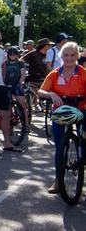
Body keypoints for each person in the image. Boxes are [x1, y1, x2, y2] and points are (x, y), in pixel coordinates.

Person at [38, 42, 86, 193]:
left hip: (81, 110)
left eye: (73, 55)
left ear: (77, 56)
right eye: (66, 55)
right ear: (61, 56)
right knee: (59, 148)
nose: (69, 58)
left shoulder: (83, 73)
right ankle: (58, 180)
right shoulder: (55, 73)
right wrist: (51, 94)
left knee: (84, 143)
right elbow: (40, 92)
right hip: (61, 111)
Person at [22, 38, 51, 111]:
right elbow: (21, 59)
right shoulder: (33, 53)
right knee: (33, 93)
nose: (50, 47)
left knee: (49, 94)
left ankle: (49, 109)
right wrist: (23, 69)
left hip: (45, 78)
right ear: (44, 46)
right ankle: (33, 105)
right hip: (33, 77)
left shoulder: (49, 54)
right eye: (48, 45)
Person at [2, 46, 28, 126]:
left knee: (22, 105)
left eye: (14, 54)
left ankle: (26, 124)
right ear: (8, 54)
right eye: (10, 54)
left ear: (17, 55)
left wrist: (20, 82)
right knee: (8, 106)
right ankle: (10, 122)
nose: (12, 55)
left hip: (17, 85)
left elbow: (23, 74)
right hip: (7, 85)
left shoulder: (20, 63)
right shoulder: (5, 63)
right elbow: (3, 74)